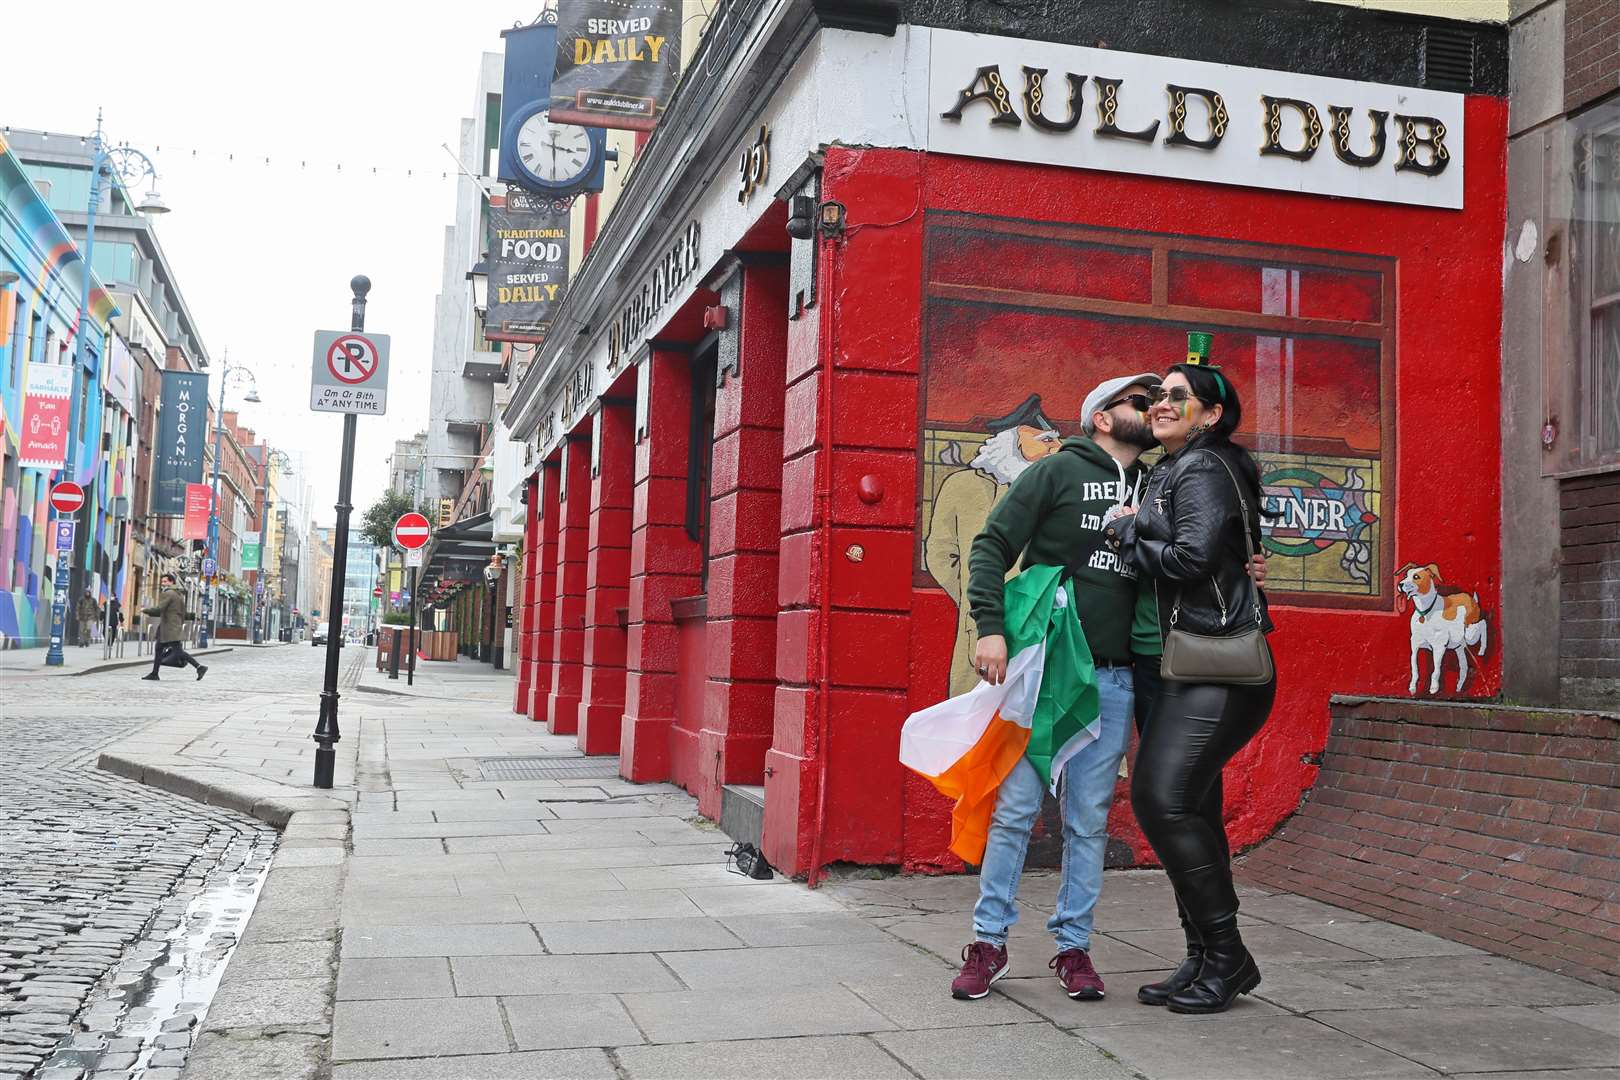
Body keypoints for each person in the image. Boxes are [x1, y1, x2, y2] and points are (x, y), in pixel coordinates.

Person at [950, 373, 1162, 1002]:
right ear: (1102, 416)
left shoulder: (1157, 485)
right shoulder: (1057, 473)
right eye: (1141, 403)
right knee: (1015, 811)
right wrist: (990, 627)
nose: (1154, 412)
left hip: (1117, 675)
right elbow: (990, 544)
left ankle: (1074, 948)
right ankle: (988, 941)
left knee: (1089, 820)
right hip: (1046, 668)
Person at [1106, 361, 1277, 1015]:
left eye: (1181, 396)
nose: (1162, 403)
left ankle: (1228, 956)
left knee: (1162, 798)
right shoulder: (1178, 469)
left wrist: (1127, 534)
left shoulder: (1203, 468)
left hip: (1218, 668)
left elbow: (1191, 558)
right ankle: (1206, 957)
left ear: (1211, 414)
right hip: (1190, 664)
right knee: (1192, 809)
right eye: (1159, 395)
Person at [925, 394, 1063, 696]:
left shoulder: (1054, 493)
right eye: (1045, 441)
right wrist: (969, 592)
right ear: (1011, 442)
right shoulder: (962, 485)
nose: (1055, 449)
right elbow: (939, 553)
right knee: (971, 716)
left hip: (1041, 624)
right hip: (980, 626)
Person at [142, 573, 208, 682]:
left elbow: (160, 609)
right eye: (162, 582)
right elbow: (182, 612)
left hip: (169, 628)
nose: (163, 584)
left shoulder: (169, 593)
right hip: (172, 626)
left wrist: (145, 610)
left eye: (165, 582)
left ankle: (199, 667)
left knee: (178, 651)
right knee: (159, 649)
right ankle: (154, 673)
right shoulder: (178, 594)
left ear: (171, 582)